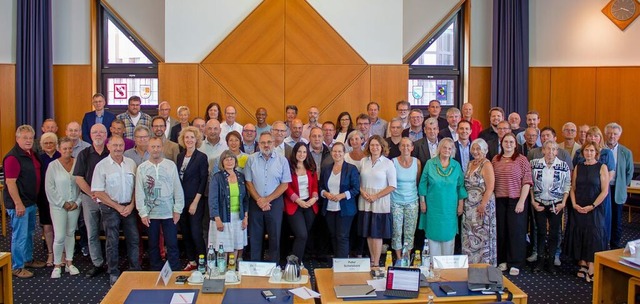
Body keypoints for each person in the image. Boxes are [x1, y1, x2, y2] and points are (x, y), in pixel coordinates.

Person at [92, 135, 140, 286]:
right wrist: (117, 206)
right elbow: (98, 192)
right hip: (110, 208)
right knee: (112, 241)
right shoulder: (101, 166)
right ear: (108, 146)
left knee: (134, 239)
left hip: (129, 207)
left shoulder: (131, 163)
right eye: (115, 145)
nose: (118, 148)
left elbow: (136, 187)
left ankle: (135, 269)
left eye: (121, 145)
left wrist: (132, 205)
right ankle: (113, 272)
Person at [136, 136, 184, 271]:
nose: (155, 149)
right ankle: (155, 269)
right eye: (153, 147)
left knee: (172, 243)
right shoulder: (142, 168)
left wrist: (178, 209)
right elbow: (139, 191)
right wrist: (142, 212)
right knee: (153, 244)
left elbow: (177, 188)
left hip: (169, 213)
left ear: (162, 148)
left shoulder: (170, 165)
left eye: (158, 146)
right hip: (151, 214)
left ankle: (174, 270)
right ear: (148, 148)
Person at [4, 125, 46, 279]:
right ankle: (17, 266)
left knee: (29, 233)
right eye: (25, 138)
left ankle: (27, 260)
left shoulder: (32, 154)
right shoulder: (12, 158)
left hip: (31, 202)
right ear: (17, 139)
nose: (28, 141)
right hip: (19, 204)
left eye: (30, 138)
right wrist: (18, 203)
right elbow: (10, 182)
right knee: (19, 236)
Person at [564, 142, 609, 282]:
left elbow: (605, 191)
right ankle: (582, 262)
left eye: (591, 151)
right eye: (586, 151)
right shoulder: (578, 166)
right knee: (580, 233)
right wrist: (574, 204)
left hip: (594, 207)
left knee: (594, 235)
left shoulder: (602, 167)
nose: (589, 153)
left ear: (596, 152)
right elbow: (573, 187)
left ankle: (592, 265)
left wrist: (593, 205)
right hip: (578, 206)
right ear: (582, 153)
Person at [245, 131, 292, 262]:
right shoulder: (251, 159)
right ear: (259, 144)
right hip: (255, 202)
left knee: (275, 237)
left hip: (275, 203)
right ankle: (255, 266)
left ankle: (273, 267)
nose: (266, 145)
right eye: (263, 142)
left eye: (269, 142)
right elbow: (248, 183)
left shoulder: (282, 161)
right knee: (255, 237)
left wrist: (267, 200)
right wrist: (259, 200)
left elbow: (284, 185)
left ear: (274, 143)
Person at [418, 138, 467, 256]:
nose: (447, 150)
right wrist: (422, 202)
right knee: (433, 237)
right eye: (444, 147)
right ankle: (433, 266)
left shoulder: (456, 165)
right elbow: (423, 184)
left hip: (450, 208)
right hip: (433, 207)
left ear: (452, 151)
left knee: (448, 237)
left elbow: (460, 186)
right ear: (439, 149)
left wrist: (461, 204)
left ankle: (447, 267)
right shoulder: (430, 163)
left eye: (450, 148)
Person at [492, 132, 532, 276]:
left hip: (516, 200)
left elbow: (527, 182)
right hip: (499, 200)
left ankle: (515, 262)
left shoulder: (522, 160)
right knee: (501, 231)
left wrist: (521, 201)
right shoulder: (495, 160)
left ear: (515, 144)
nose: (508, 144)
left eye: (511, 142)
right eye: (505, 142)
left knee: (516, 232)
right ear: (501, 144)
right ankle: (503, 260)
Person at [530, 141, 571, 274]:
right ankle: (540, 260)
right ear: (543, 150)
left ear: (557, 151)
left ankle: (552, 261)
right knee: (540, 232)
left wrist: (563, 203)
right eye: (548, 149)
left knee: (554, 233)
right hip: (539, 203)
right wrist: (532, 201)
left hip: (557, 204)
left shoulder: (563, 165)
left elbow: (567, 185)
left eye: (554, 149)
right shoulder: (535, 164)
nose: (551, 152)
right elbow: (530, 184)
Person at [74, 124, 109, 278]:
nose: (98, 135)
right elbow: (79, 178)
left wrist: (104, 196)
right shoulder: (84, 154)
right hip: (89, 198)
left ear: (106, 134)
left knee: (110, 231)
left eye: (101, 132)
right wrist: (93, 194)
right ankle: (97, 263)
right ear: (90, 134)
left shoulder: (111, 152)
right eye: (95, 132)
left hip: (109, 199)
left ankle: (111, 262)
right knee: (92, 232)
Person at [358, 135, 397, 267]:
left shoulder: (388, 163)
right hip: (365, 201)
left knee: (377, 233)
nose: (374, 148)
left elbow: (392, 185)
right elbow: (357, 180)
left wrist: (376, 196)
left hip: (380, 203)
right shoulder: (364, 161)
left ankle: (376, 262)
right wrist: (362, 192)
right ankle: (372, 259)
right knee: (368, 232)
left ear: (382, 147)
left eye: (377, 145)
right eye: (372, 145)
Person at [572, 126, 615, 246]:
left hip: (598, 191)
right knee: (580, 225)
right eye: (590, 135)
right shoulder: (579, 152)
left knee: (598, 224)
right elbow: (575, 171)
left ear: (600, 138)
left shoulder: (607, 153)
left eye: (596, 136)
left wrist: (596, 182)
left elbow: (611, 173)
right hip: (581, 191)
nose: (593, 138)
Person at [46, 137, 82, 278]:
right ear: (59, 149)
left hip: (74, 206)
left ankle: (69, 263)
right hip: (58, 206)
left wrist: (77, 202)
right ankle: (56, 265)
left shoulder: (78, 163)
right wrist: (62, 203)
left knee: (70, 233)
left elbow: (81, 184)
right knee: (60, 236)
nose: (67, 151)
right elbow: (49, 188)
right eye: (64, 148)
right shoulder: (53, 166)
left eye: (70, 148)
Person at [319, 142, 360, 259]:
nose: (337, 154)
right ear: (331, 153)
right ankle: (337, 261)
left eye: (339, 151)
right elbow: (321, 187)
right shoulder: (327, 169)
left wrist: (341, 195)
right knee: (333, 235)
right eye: (334, 151)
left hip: (345, 209)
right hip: (329, 207)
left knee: (342, 236)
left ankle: (342, 264)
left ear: (344, 153)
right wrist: (325, 194)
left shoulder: (351, 169)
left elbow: (356, 189)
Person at [176, 127, 209, 270]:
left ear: (197, 140)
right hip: (180, 200)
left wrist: (195, 202)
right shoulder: (179, 156)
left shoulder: (201, 157)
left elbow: (203, 181)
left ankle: (203, 261)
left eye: (192, 137)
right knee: (185, 232)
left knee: (196, 232)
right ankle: (192, 261)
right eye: (186, 137)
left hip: (195, 200)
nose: (189, 140)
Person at [462, 138, 497, 266]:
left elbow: (490, 187)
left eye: (479, 149)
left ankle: (483, 264)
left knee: (481, 234)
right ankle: (471, 263)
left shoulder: (486, 164)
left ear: (485, 151)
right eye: (474, 149)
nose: (476, 151)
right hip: (469, 206)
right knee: (470, 235)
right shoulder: (470, 163)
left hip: (482, 205)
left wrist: (482, 205)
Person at [209, 150, 249, 260]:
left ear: (235, 161)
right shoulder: (217, 177)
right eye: (226, 159)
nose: (229, 161)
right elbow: (213, 200)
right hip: (223, 217)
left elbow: (245, 199)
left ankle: (232, 270)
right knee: (224, 248)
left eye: (231, 158)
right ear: (222, 162)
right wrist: (217, 219)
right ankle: (223, 271)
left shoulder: (241, 176)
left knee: (236, 247)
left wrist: (245, 217)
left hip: (238, 217)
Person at [284, 143, 319, 262]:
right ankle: (294, 263)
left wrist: (314, 198)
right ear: (295, 152)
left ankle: (298, 259)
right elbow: (287, 187)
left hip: (310, 205)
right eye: (299, 151)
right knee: (301, 235)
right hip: (294, 205)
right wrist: (298, 200)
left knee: (304, 235)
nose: (302, 154)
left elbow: (315, 185)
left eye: (304, 152)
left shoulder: (311, 166)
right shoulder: (289, 167)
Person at [604, 123, 634, 249]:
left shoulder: (625, 152)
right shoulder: (600, 150)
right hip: (603, 189)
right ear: (605, 134)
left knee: (616, 220)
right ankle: (602, 245)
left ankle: (615, 247)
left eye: (615, 134)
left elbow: (629, 172)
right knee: (603, 219)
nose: (612, 136)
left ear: (619, 136)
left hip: (617, 189)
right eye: (610, 133)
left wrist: (622, 185)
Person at [391, 138, 421, 259]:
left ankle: (406, 257)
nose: (405, 148)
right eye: (403, 146)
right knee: (397, 231)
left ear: (412, 147)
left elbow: (417, 181)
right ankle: (398, 258)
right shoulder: (393, 162)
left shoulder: (417, 162)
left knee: (410, 232)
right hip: (395, 202)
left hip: (412, 201)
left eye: (408, 145)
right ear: (399, 148)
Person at [39, 132, 60, 267]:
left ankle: (61, 253)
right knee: (47, 225)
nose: (48, 145)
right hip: (44, 196)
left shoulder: (61, 156)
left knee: (60, 226)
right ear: (42, 145)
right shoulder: (38, 159)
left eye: (51, 142)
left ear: (56, 144)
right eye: (46, 143)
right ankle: (50, 253)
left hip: (60, 195)